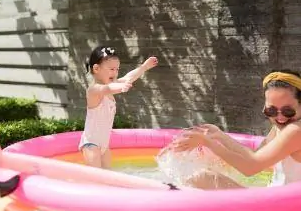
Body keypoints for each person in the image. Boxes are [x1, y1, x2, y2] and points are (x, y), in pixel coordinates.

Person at [168, 69, 301, 189]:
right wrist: (220, 136)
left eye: (287, 111)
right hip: (275, 200)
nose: (280, 117)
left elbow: (251, 168)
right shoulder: (281, 127)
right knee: (201, 177)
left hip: (283, 208)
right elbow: (254, 157)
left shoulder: (295, 130)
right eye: (271, 110)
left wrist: (208, 143)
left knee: (200, 178)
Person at [79, 46, 158, 169]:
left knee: (108, 178)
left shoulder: (111, 85)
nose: (115, 72)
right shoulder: (93, 90)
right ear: (96, 68)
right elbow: (106, 89)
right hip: (91, 144)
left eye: (117, 69)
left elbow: (128, 77)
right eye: (111, 69)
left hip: (104, 145)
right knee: (95, 180)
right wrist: (121, 87)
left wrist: (144, 67)